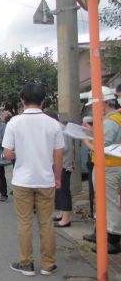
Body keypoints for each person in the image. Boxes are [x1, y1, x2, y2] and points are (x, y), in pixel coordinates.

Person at [2, 83, 64, 277]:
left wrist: (20, 151)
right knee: (46, 223)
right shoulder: (53, 124)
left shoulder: (14, 122)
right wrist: (58, 178)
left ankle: (26, 263)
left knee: (25, 222)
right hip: (46, 180)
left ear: (22, 100)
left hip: (22, 181)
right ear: (43, 100)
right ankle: (48, 265)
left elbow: (8, 153)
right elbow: (59, 155)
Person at [82, 86, 121, 254]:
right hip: (110, 166)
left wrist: (85, 140)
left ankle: (113, 240)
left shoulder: (110, 122)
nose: (93, 108)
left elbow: (101, 147)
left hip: (109, 168)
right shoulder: (115, 118)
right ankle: (101, 233)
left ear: (104, 104)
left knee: (110, 203)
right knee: (103, 202)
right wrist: (93, 131)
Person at [44, 111, 75, 228]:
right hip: (63, 163)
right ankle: (62, 214)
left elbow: (63, 149)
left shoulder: (59, 129)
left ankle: (66, 219)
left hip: (63, 164)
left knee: (63, 192)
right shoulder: (60, 128)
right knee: (61, 191)